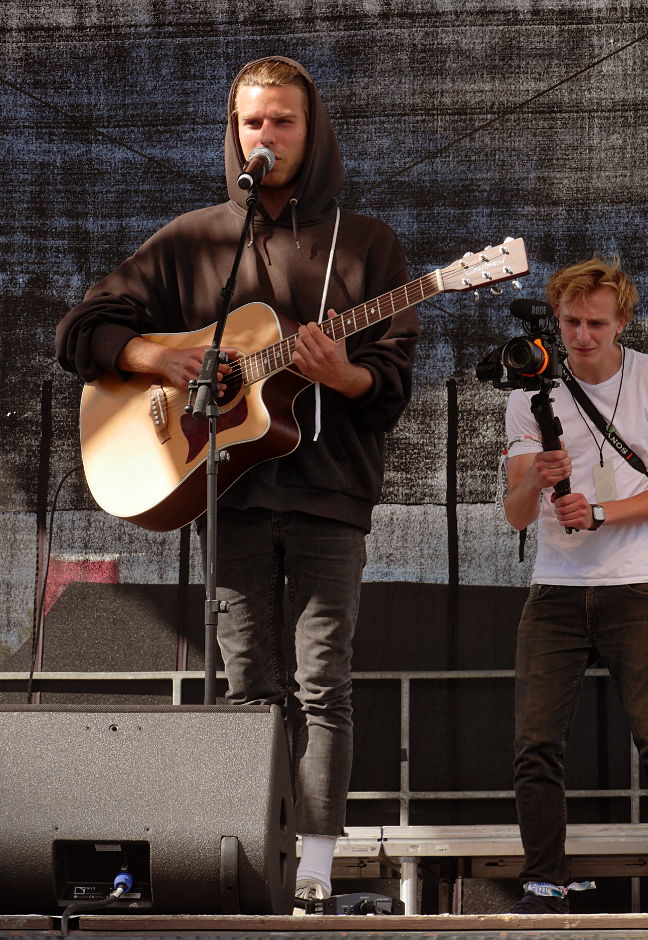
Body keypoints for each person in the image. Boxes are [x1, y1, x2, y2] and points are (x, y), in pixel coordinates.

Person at [56, 56, 418, 910]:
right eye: (254, 122)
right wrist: (156, 354)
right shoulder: (194, 240)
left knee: (322, 679)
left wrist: (341, 374)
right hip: (227, 496)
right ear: (236, 132)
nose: (268, 137)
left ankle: (319, 873)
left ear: (312, 129)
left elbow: (391, 385)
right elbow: (84, 327)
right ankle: (258, 857)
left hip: (329, 494)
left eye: (283, 121)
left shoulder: (365, 245)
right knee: (248, 682)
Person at [502, 257, 648, 915]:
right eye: (571, 321)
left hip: (635, 584)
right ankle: (545, 882)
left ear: (622, 321)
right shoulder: (527, 394)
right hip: (556, 586)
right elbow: (513, 514)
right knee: (536, 743)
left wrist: (599, 512)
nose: (582, 336)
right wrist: (538, 476)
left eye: (597, 323)